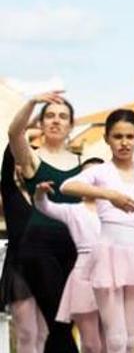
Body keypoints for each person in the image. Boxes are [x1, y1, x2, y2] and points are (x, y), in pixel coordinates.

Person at [61, 109, 134, 353]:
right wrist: (108, 194)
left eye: (129, 136)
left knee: (130, 340)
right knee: (115, 338)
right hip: (109, 256)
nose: (124, 142)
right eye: (117, 136)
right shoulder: (101, 172)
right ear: (106, 139)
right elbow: (66, 186)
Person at [7, 91, 83, 351]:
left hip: (76, 249)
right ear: (40, 123)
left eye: (63, 117)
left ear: (71, 125)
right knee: (58, 320)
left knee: (63, 326)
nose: (56, 121)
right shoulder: (31, 159)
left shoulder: (84, 164)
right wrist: (31, 103)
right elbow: (14, 134)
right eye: (49, 116)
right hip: (39, 248)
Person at [33, 157, 105, 353]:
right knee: (91, 344)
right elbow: (45, 207)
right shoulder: (74, 211)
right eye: (87, 175)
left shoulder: (115, 208)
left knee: (112, 341)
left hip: (112, 274)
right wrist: (40, 194)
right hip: (84, 277)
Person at [0, 145, 48, 353]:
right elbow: (7, 159)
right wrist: (20, 137)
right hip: (20, 267)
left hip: (49, 267)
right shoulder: (10, 191)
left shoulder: (50, 194)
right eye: (20, 160)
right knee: (27, 333)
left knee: (45, 334)